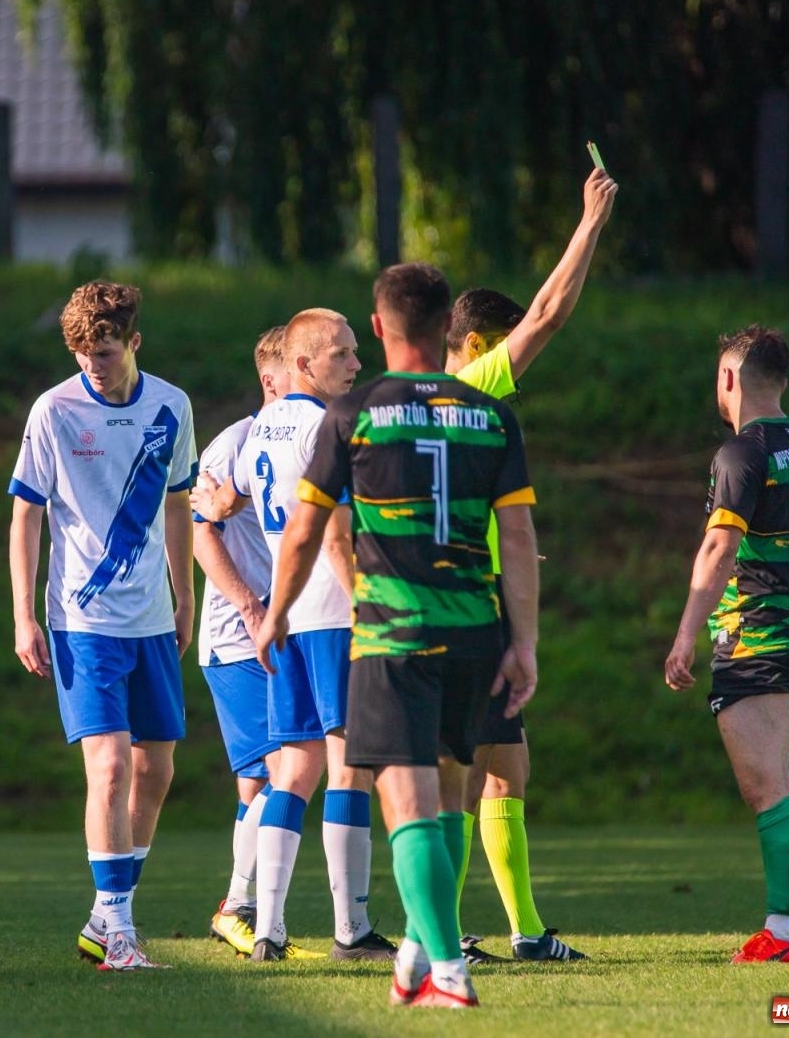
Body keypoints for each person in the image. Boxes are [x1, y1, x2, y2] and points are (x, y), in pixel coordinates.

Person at [257, 262, 541, 1009]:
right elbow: (518, 536)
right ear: (448, 328)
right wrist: (525, 642)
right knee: (447, 795)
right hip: (475, 631)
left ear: (379, 328)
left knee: (407, 803)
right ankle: (419, 946)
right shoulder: (490, 414)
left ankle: (448, 972)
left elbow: (307, 529)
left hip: (393, 634)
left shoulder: (353, 413)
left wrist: (276, 611)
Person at [443, 166, 615, 964]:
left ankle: (525, 931)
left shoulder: (440, 407)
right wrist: (589, 223)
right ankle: (440, 931)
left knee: (506, 769)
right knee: (467, 774)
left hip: (477, 597)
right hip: (467, 607)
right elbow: (548, 314)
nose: (522, 363)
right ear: (479, 345)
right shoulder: (471, 386)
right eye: (507, 346)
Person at [8, 280, 197, 971]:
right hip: (81, 619)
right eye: (83, 354)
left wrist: (185, 596)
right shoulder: (54, 410)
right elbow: (26, 514)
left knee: (156, 768)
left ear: (134, 341)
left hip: (151, 618)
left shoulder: (171, 406)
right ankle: (118, 930)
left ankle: (104, 915)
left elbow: (178, 504)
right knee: (111, 764)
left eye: (106, 352)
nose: (94, 365)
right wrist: (23, 614)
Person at [195, 309, 384, 964]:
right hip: (332, 613)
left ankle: (268, 929)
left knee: (295, 771)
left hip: (288, 616)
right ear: (304, 364)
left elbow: (229, 500)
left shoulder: (261, 429)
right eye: (341, 355)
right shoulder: (329, 425)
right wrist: (367, 604)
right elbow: (333, 533)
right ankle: (351, 929)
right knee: (349, 767)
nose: (355, 365)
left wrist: (214, 505)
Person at [664, 325, 789, 964]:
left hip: (756, 637)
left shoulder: (741, 452)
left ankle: (785, 933)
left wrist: (686, 632)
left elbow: (720, 546)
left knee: (767, 789)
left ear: (730, 378)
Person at [192, 326, 297, 956]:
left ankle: (244, 910)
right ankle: (235, 905)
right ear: (270, 379)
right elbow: (200, 534)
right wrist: (251, 607)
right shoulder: (234, 443)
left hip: (287, 630)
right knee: (289, 769)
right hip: (239, 638)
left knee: (260, 784)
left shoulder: (305, 438)